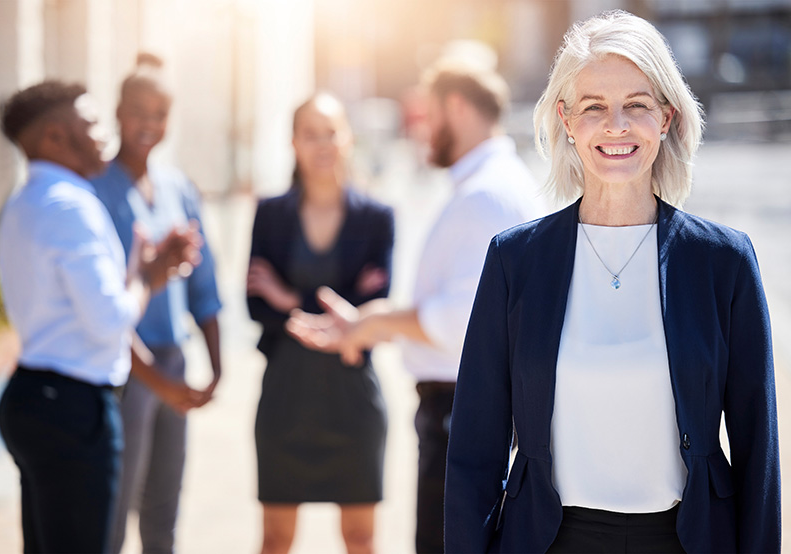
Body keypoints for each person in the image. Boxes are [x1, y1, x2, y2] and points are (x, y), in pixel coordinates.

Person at [444, 10, 780, 554]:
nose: (616, 125)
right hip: (548, 540)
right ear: (566, 120)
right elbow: (474, 453)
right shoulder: (514, 261)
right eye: (594, 107)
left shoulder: (725, 262)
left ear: (666, 119)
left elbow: (757, 448)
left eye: (637, 106)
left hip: (686, 540)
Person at [286, 61, 547, 553]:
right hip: (468, 409)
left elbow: (460, 321)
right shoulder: (497, 184)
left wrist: (374, 323)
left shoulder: (486, 195)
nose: (421, 131)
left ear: (455, 107)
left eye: (426, 117)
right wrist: (370, 323)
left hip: (461, 412)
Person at [0, 81, 202, 553]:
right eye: (89, 124)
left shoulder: (23, 203)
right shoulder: (71, 206)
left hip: (33, 394)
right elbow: (110, 320)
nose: (103, 134)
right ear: (54, 137)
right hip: (73, 407)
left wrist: (141, 269)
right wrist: (151, 275)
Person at [246, 92, 394, 554]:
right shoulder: (270, 214)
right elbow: (254, 305)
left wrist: (288, 296)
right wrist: (338, 308)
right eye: (311, 134)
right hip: (286, 397)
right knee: (275, 539)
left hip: (351, 398)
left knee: (360, 539)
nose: (323, 144)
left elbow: (375, 307)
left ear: (348, 138)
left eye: (331, 132)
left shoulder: (377, 218)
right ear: (293, 143)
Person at [90, 53, 223, 553]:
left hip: (173, 361)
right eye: (138, 111)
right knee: (114, 507)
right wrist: (161, 384)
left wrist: (216, 366)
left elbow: (205, 283)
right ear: (118, 112)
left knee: (164, 512)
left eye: (160, 114)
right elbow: (100, 304)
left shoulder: (177, 187)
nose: (148, 124)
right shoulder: (97, 188)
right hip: (125, 370)